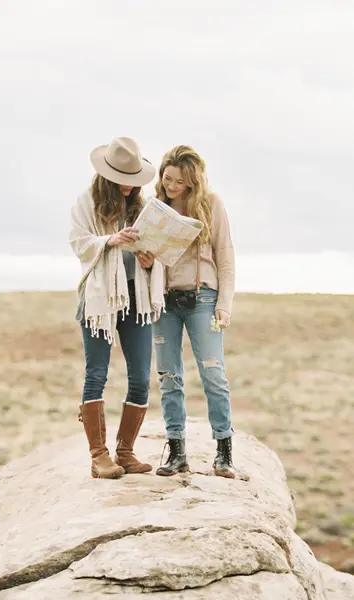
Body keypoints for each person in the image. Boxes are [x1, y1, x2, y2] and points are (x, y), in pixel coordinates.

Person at [69, 137, 164, 479]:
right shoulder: (86, 203)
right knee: (97, 374)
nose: (130, 185)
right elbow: (79, 243)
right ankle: (99, 456)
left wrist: (152, 262)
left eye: (135, 178)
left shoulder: (144, 207)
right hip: (99, 302)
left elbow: (159, 253)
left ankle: (125, 452)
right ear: (108, 176)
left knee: (140, 377)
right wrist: (109, 241)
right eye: (124, 178)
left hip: (136, 300)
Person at [152, 145, 236, 478]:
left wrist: (224, 305)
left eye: (179, 181)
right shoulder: (156, 208)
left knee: (213, 375)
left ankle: (224, 452)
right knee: (168, 377)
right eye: (167, 178)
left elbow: (226, 259)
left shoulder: (211, 205)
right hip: (164, 301)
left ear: (193, 181)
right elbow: (148, 256)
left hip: (203, 298)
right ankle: (176, 452)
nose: (171, 185)